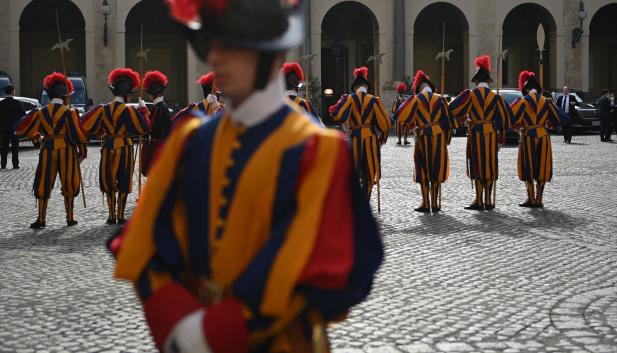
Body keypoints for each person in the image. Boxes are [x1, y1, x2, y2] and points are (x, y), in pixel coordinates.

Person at [109, 1, 383, 352]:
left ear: (270, 51)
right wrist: (177, 323)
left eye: (232, 46)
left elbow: (328, 268)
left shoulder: (319, 151)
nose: (216, 58)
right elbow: (144, 246)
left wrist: (215, 329)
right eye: (212, 44)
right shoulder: (187, 143)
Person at [14, 72, 88, 229]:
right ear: (65, 96)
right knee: (69, 183)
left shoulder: (41, 112)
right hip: (67, 150)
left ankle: (41, 219)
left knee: (43, 183)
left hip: (47, 149)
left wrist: (37, 136)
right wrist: (82, 150)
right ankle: (70, 218)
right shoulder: (70, 112)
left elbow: (20, 129)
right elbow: (77, 135)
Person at [82, 68, 149, 225]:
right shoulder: (129, 110)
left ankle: (111, 215)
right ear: (127, 95)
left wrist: (100, 132)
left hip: (108, 146)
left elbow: (88, 126)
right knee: (124, 180)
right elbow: (143, 129)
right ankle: (120, 215)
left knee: (109, 180)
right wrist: (143, 111)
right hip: (124, 147)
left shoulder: (103, 109)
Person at [449, 55, 512, 211]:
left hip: (476, 133)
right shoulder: (496, 97)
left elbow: (453, 108)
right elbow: (507, 118)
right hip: (490, 134)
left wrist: (465, 119)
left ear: (476, 81)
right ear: (489, 81)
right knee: (489, 165)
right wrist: (498, 128)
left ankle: (478, 200)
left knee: (477, 165)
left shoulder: (470, 95)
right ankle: (489, 201)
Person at [395, 70, 458, 213]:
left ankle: (425, 203)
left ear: (419, 88)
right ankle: (435, 204)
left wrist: (413, 127)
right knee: (436, 168)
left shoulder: (416, 99)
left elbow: (400, 115)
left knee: (422, 168)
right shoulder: (440, 99)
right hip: (438, 137)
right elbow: (448, 122)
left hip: (422, 137)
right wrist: (446, 139)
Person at [330, 66, 392, 200]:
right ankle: (366, 201)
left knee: (353, 171)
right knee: (369, 173)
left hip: (354, 138)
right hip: (370, 138)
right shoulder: (374, 100)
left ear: (355, 87)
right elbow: (385, 124)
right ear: (366, 86)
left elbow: (337, 115)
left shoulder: (349, 99)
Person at [510, 71, 568, 208]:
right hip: (543, 135)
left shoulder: (523, 102)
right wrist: (549, 124)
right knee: (542, 167)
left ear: (527, 89)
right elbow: (561, 118)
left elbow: (511, 117)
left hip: (528, 135)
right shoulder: (547, 102)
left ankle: (531, 198)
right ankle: (539, 199)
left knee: (528, 166)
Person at [140, 70, 172, 176]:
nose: (149, 96)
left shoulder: (159, 108)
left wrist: (144, 111)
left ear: (154, 94)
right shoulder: (160, 106)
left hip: (159, 147)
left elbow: (151, 129)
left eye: (150, 94)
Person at [0, 84, 25, 169]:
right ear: (12, 91)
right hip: (15, 128)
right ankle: (15, 164)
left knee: (4, 147)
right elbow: (23, 115)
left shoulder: (1, 103)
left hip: (4, 128)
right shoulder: (17, 103)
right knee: (15, 147)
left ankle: (3, 164)